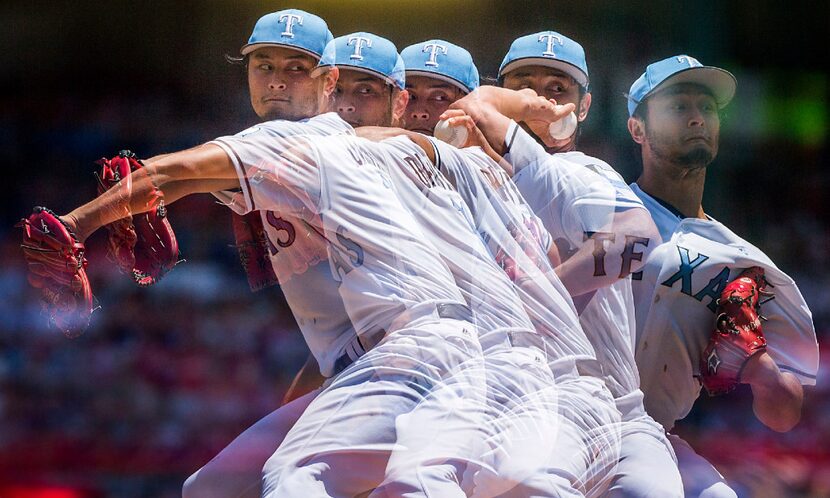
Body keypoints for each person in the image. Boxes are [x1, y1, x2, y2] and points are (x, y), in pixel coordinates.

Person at [444, 31, 682, 497]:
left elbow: (636, 237)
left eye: (558, 89)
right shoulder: (463, 185)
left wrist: (537, 297)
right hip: (506, 409)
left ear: (583, 107)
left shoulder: (580, 171)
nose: (538, 99)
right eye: (524, 86)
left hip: (614, 407)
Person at [625, 54, 819, 497]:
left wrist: (760, 367)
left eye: (707, 108)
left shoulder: (741, 259)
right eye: (678, 107)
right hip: (566, 409)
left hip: (652, 432)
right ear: (637, 128)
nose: (697, 118)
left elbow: (783, 416)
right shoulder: (596, 203)